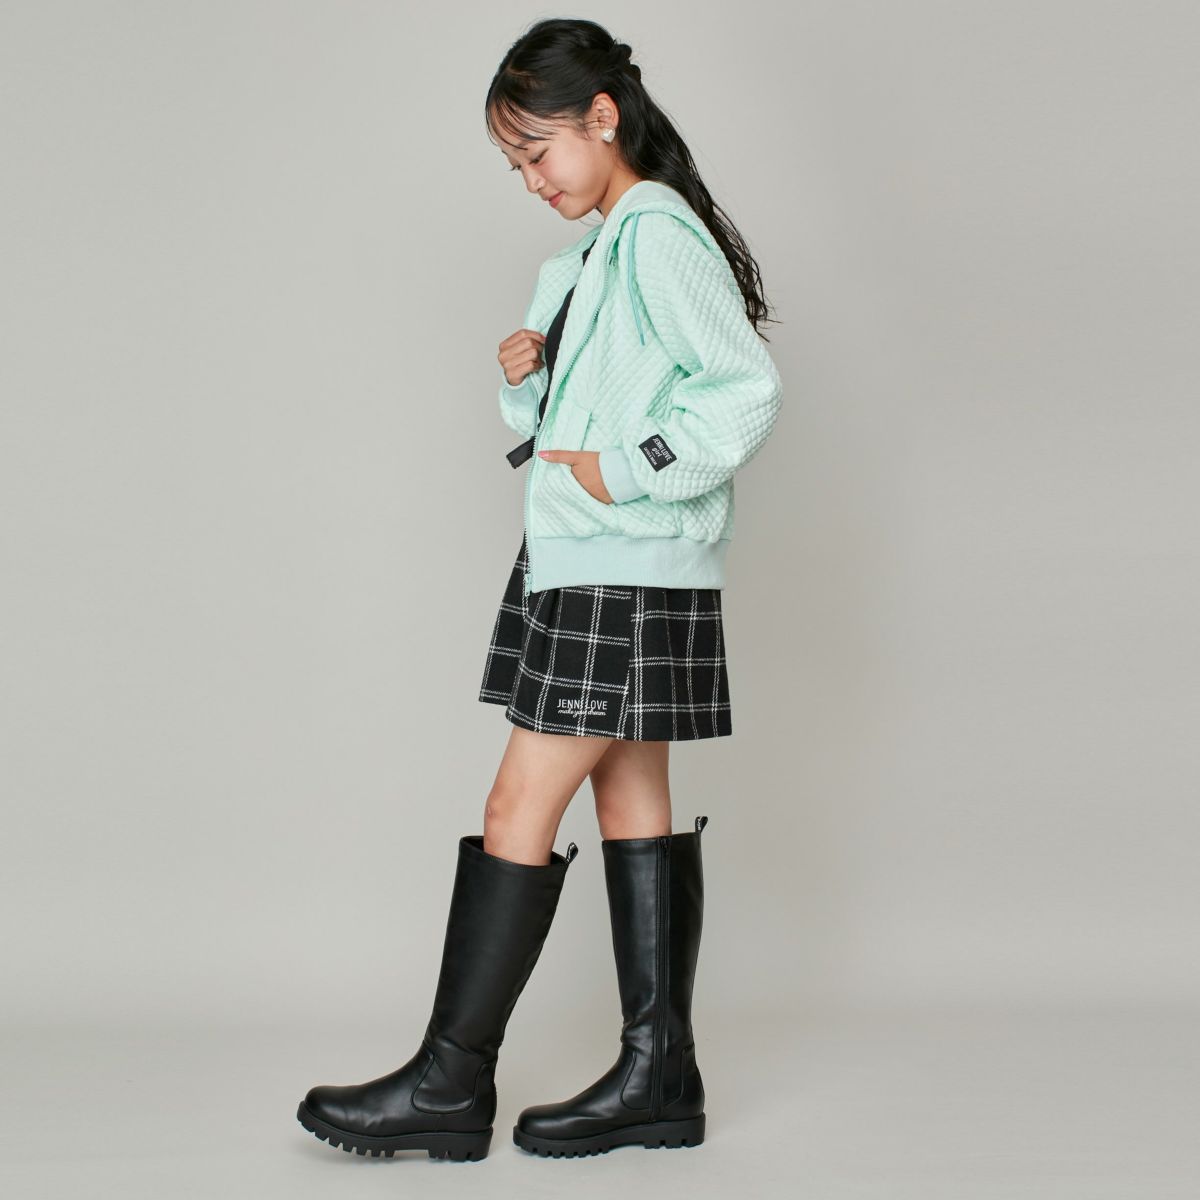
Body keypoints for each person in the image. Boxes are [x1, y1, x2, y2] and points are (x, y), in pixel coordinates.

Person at [296, 17, 783, 1162]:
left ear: (602, 118)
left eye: (538, 151)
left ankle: (449, 1083)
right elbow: (597, 402)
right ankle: (659, 1076)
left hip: (617, 563)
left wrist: (630, 468)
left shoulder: (654, 234)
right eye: (512, 164)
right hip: (603, 562)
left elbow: (742, 389)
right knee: (630, 798)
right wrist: (533, 378)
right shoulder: (593, 255)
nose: (530, 180)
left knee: (520, 802)